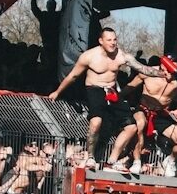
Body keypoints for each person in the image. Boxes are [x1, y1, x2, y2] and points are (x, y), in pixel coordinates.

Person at [48, 28, 154, 167]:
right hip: (94, 89)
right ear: (101, 41)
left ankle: (113, 158)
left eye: (114, 39)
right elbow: (73, 75)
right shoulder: (89, 56)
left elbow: (143, 69)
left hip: (111, 90)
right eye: (109, 40)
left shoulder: (121, 56)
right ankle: (90, 156)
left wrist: (163, 73)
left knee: (132, 127)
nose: (113, 43)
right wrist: (58, 91)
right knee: (96, 122)